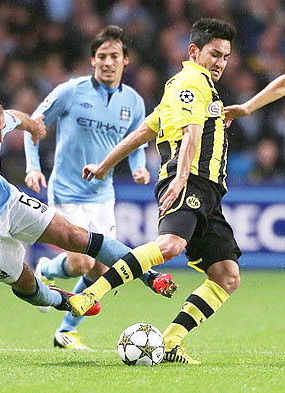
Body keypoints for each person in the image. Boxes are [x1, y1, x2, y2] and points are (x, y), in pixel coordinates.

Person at [68, 18, 240, 365]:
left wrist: (104, 164)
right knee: (170, 246)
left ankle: (171, 342)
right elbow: (191, 130)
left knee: (226, 276)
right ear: (194, 51)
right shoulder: (193, 80)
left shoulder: (184, 86)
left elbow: (144, 132)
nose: (221, 62)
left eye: (226, 56)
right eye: (215, 53)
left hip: (208, 193)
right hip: (189, 179)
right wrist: (180, 179)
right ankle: (92, 293)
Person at [0, 91, 165, 322]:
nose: (0, 138)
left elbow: (17, 117)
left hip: (7, 202)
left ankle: (149, 275)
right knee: (25, 282)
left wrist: (33, 126)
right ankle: (63, 300)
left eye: (2, 129)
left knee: (74, 235)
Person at [23, 25, 177, 350]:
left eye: (115, 56)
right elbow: (33, 125)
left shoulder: (134, 102)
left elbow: (137, 142)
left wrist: (138, 169)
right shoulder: (70, 91)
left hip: (103, 194)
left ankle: (66, 330)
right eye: (102, 56)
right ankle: (46, 268)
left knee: (103, 269)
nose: (108, 62)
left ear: (126, 61)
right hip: (66, 191)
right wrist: (33, 166)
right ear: (92, 60)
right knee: (81, 262)